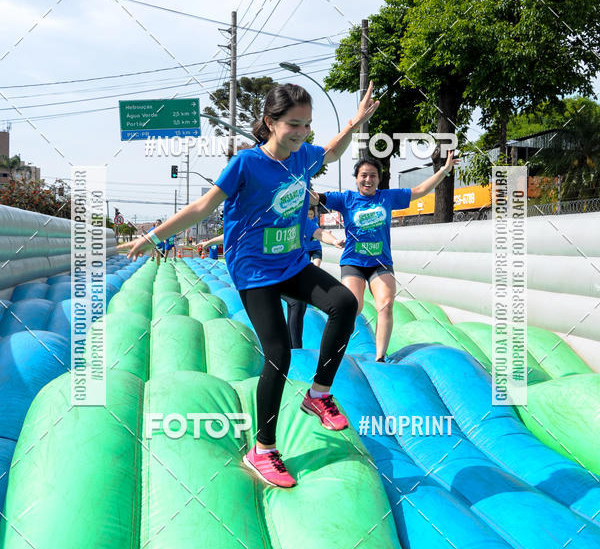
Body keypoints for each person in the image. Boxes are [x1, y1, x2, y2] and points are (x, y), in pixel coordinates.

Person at [125, 81, 378, 488]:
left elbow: (331, 151)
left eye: (307, 125)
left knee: (345, 303)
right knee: (278, 352)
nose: (301, 133)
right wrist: (155, 236)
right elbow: (202, 206)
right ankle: (263, 449)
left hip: (292, 263)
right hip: (254, 271)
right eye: (293, 124)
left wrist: (355, 122)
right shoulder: (246, 164)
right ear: (270, 122)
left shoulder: (304, 157)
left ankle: (318, 394)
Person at [316, 152, 457, 362]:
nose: (368, 179)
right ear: (356, 178)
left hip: (380, 262)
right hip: (353, 261)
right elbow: (316, 198)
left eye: (373, 175)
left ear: (378, 179)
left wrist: (444, 170)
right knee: (351, 306)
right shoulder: (346, 199)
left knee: (386, 304)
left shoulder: (387, 197)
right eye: (363, 175)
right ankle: (334, 352)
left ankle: (380, 357)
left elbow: (420, 190)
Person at [285, 208, 344, 349]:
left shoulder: (301, 219)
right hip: (268, 274)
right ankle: (294, 349)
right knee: (296, 303)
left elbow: (318, 232)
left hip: (296, 268)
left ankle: (295, 349)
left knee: (300, 302)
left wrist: (334, 240)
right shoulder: (269, 215)